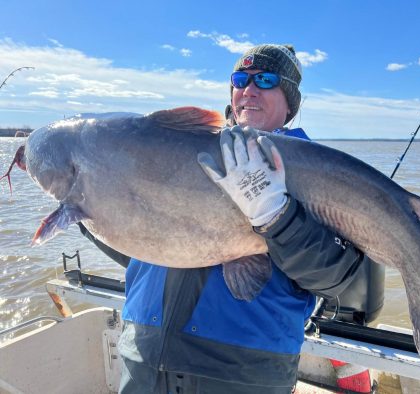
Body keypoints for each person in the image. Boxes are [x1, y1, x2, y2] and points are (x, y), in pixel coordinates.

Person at [81, 44, 379, 394]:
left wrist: (279, 217)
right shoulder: (187, 151)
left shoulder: (320, 174)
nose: (249, 90)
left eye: (266, 80)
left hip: (241, 370)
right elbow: (141, 250)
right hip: (143, 352)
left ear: (290, 103)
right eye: (241, 79)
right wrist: (87, 204)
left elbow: (336, 276)